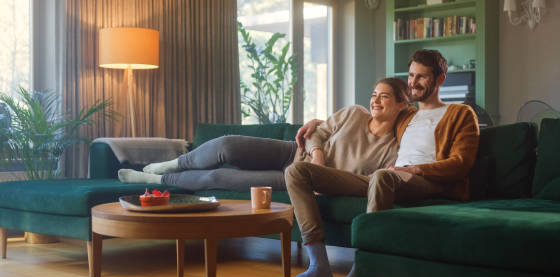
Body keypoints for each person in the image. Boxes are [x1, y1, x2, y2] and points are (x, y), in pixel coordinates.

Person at [275, 49, 480, 277]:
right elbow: (368, 117)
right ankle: (318, 267)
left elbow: (462, 162)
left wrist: (417, 168)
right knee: (297, 172)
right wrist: (318, 123)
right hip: (387, 179)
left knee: (384, 176)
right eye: (411, 76)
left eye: (422, 77)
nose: (413, 82)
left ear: (440, 79)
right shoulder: (406, 115)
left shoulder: (460, 113)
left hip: (427, 181)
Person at [118, 77, 413, 193]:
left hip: (300, 178)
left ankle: (156, 180)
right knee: (227, 145)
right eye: (374, 94)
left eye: (385, 97)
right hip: (293, 153)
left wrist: (319, 174)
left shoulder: (395, 149)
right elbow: (316, 133)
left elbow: (370, 181)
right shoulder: (354, 113)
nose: (376, 100)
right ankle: (175, 163)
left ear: (403, 104)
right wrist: (317, 154)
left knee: (218, 180)